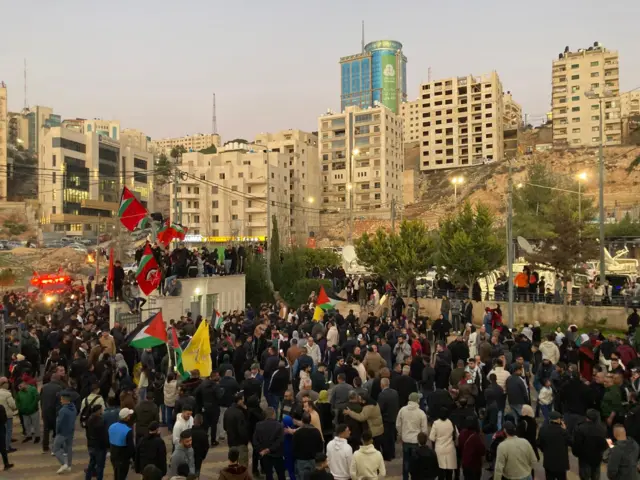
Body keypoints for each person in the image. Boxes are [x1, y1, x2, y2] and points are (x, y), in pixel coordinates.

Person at [397, 391, 428, 480]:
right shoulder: (421, 413)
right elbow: (424, 429)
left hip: (406, 440)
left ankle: (405, 478)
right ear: (417, 400)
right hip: (416, 441)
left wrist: (401, 434)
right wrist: (423, 440)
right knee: (416, 463)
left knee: (406, 462)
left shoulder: (402, 410)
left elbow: (398, 424)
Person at [253, 407, 286, 480]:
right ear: (273, 414)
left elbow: (255, 440)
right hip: (277, 454)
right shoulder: (279, 425)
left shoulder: (258, 425)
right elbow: (280, 441)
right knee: (281, 474)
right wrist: (269, 449)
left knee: (268, 475)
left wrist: (261, 450)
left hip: (265, 455)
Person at [537, 411, 570, 480]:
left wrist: (545, 450)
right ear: (558, 420)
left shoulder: (543, 430)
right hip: (561, 463)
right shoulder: (563, 432)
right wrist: (565, 430)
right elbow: (570, 442)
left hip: (549, 462)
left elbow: (539, 443)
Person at [292, 411, 324, 480]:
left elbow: (294, 447)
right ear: (310, 420)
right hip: (313, 460)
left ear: (302, 420)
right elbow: (320, 447)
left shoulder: (297, 433)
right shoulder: (316, 432)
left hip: (301, 460)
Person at [428, 407, 458, 480]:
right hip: (450, 449)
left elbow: (431, 438)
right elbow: (457, 435)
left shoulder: (436, 423)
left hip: (439, 449)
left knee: (441, 471)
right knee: (449, 471)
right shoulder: (451, 422)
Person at [53, 391, 77, 474]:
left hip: (62, 432)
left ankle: (64, 464)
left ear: (65, 400)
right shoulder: (73, 407)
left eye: (61, 399)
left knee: (55, 449)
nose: (60, 401)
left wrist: (57, 431)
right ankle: (69, 465)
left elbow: (58, 423)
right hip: (70, 431)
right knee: (69, 447)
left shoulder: (62, 410)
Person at [224, 393, 250, 467]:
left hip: (231, 442)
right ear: (239, 401)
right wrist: (246, 440)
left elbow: (224, 427)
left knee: (233, 463)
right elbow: (242, 430)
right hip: (240, 443)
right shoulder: (239, 413)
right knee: (243, 464)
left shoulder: (227, 411)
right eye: (242, 399)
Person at [109, 408, 135, 480]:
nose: (130, 417)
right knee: (122, 476)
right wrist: (134, 459)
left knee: (116, 473)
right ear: (126, 418)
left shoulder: (111, 426)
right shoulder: (128, 430)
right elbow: (131, 448)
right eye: (129, 416)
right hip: (123, 457)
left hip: (113, 455)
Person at [377, 377, 399, 461]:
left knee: (386, 438)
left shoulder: (382, 395)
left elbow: (380, 408)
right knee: (392, 437)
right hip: (393, 417)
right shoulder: (395, 393)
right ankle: (392, 453)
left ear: (382, 385)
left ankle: (387, 455)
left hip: (385, 419)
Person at [85, 404, 108, 480]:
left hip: (91, 444)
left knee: (92, 463)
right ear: (98, 410)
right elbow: (103, 435)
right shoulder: (101, 421)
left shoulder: (89, 419)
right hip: (100, 446)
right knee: (100, 466)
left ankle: (87, 478)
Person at [0, 377, 17, 453]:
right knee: (8, 432)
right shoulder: (7, 394)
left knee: (2, 432)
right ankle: (7, 447)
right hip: (7, 416)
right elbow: (13, 405)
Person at [0, 403, 13, 471]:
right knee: (2, 448)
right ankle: (6, 464)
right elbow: (4, 419)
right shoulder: (1, 407)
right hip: (1, 429)